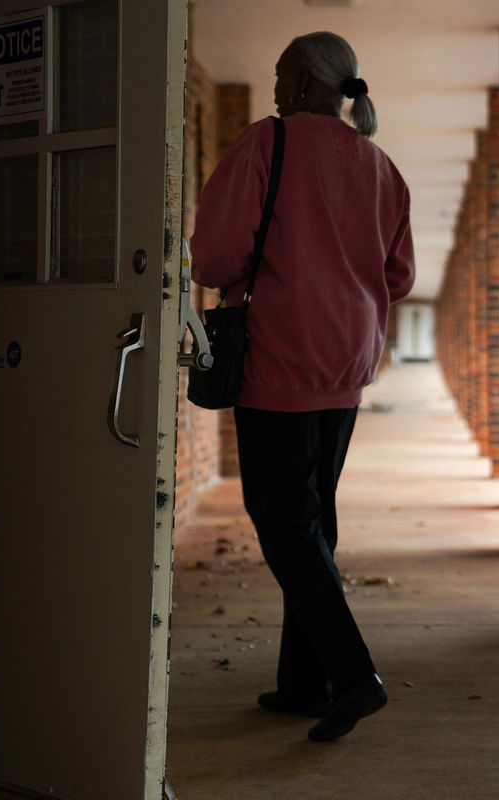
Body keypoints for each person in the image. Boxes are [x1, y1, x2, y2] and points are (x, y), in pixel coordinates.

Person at [190, 31, 414, 742]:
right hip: (347, 360)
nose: (278, 85)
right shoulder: (381, 167)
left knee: (283, 520)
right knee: (313, 514)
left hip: (281, 355)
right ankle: (304, 680)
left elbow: (218, 253)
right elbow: (400, 275)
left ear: (314, 82)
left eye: (286, 74)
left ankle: (353, 676)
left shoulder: (269, 143)